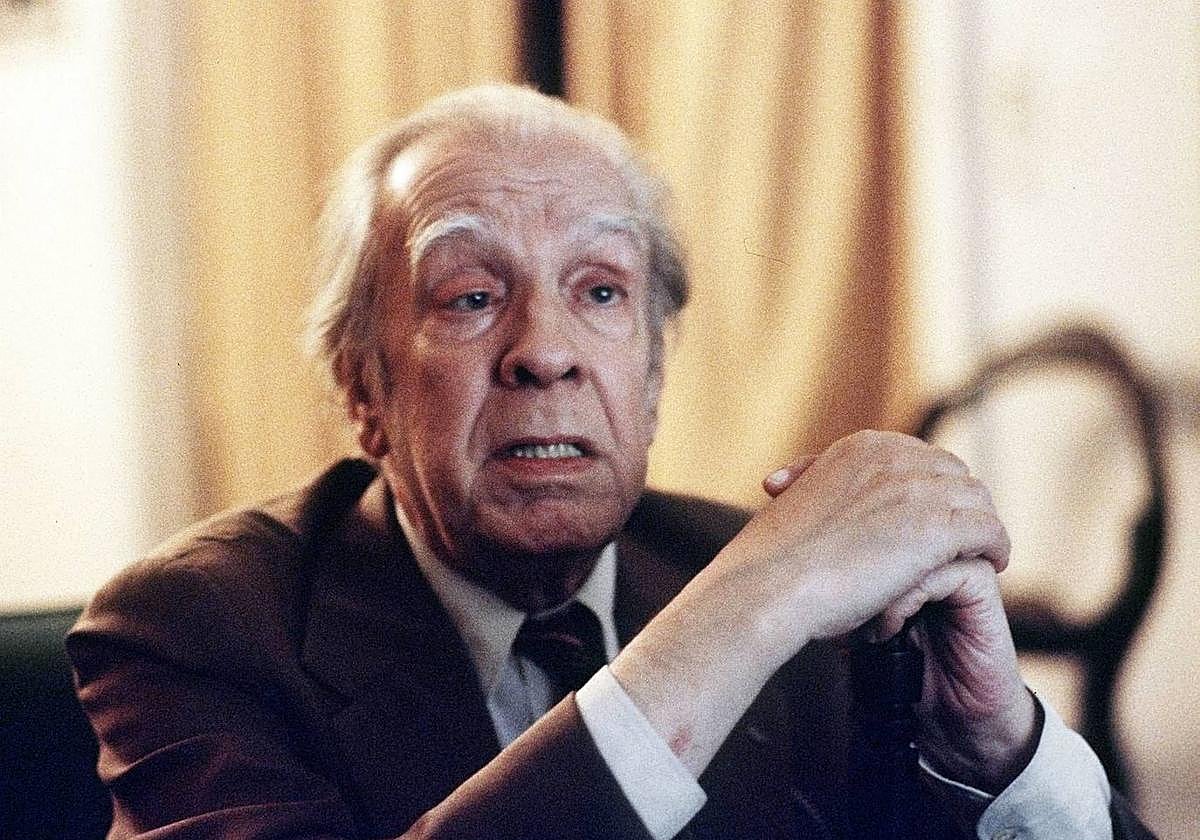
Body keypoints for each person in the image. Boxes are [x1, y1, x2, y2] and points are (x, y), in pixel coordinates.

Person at [67, 85, 1156, 839]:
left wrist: (994, 745)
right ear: (363, 389)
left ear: (652, 372)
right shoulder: (197, 629)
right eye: (472, 296)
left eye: (599, 291)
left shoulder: (784, 596)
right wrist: (746, 610)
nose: (544, 352)